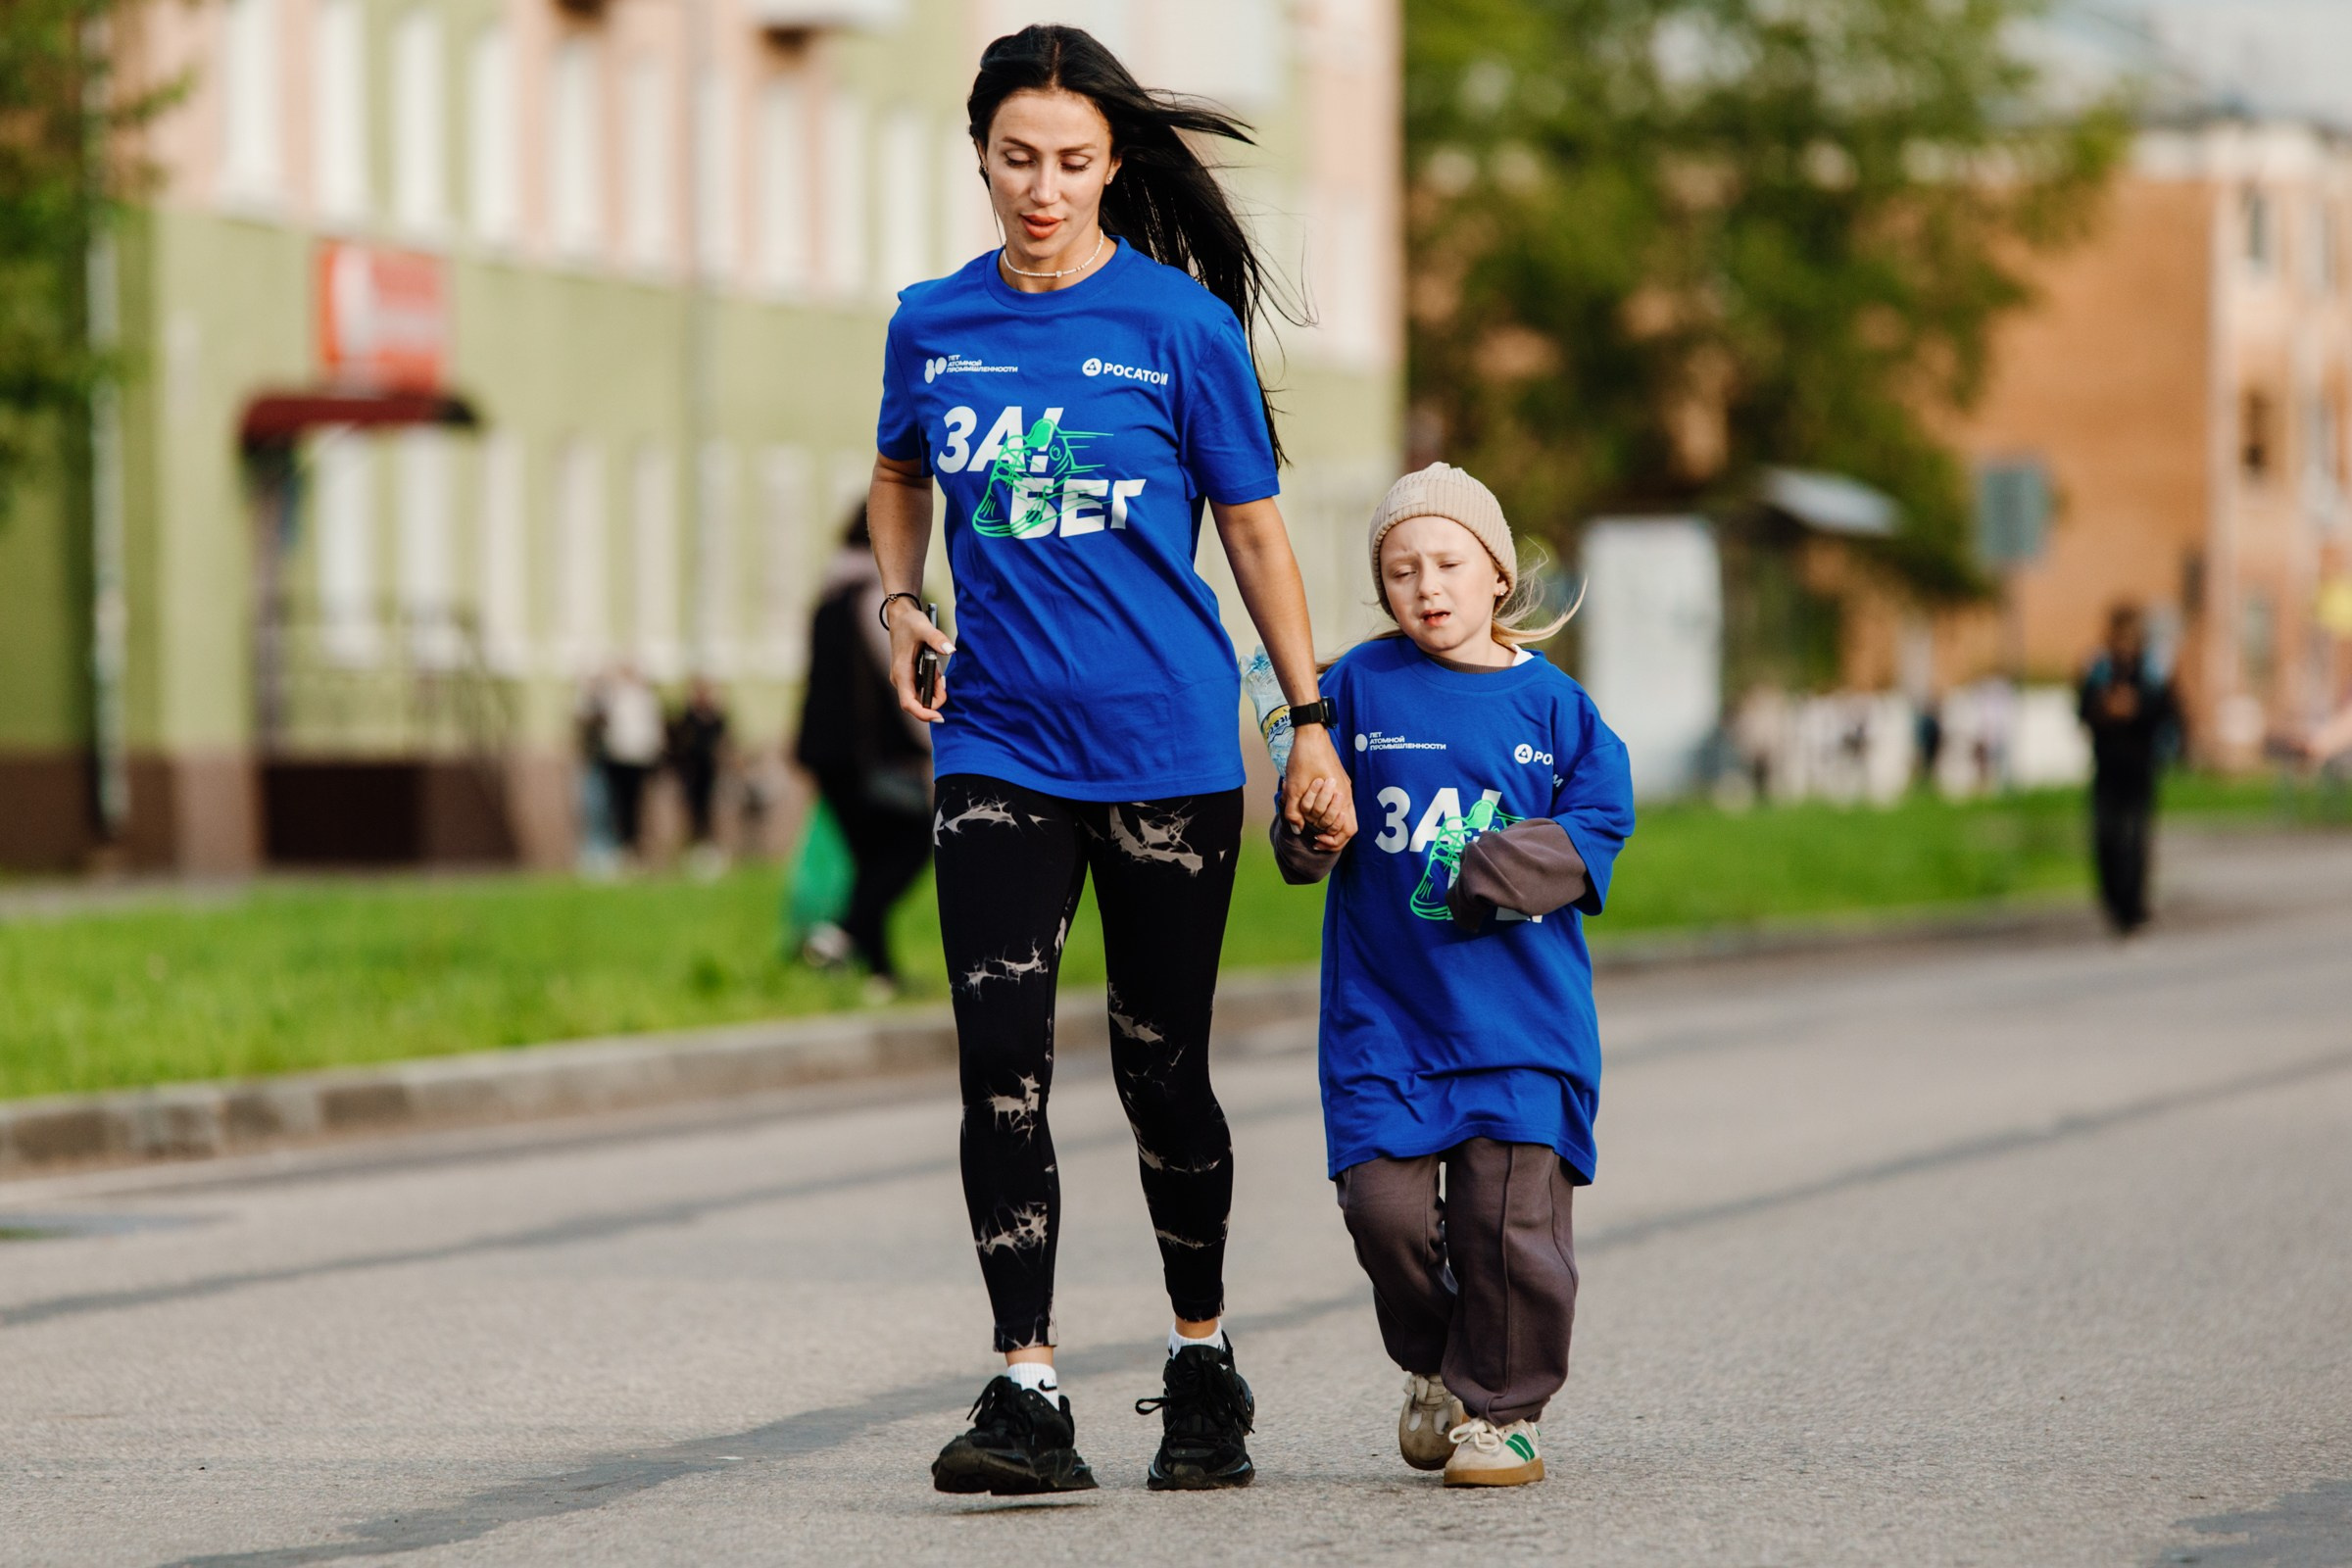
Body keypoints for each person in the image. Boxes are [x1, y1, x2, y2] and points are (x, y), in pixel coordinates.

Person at [868, 24, 1357, 1495]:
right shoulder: (932, 322)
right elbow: (897, 478)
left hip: (1161, 749)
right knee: (999, 1066)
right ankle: (1027, 1389)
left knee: (1162, 1067)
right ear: (979, 157)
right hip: (998, 742)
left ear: (1111, 165)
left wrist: (1307, 721)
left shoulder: (1178, 328)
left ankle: (1202, 1361)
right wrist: (904, 602)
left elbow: (1256, 533)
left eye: (1073, 163)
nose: (1043, 189)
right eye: (1018, 159)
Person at [1274, 464, 1634, 1488]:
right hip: (1385, 1019)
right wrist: (1305, 833)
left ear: (1498, 576)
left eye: (1446, 565)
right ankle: (1438, 1364)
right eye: (1400, 571)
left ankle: (1504, 1410)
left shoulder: (1556, 707)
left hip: (1521, 1026)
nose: (1425, 587)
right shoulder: (1353, 688)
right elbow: (1309, 812)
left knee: (1505, 1225)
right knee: (1383, 1214)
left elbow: (1601, 825)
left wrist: (1495, 869)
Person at [793, 509, 934, 998]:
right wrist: (931, 739)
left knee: (869, 859)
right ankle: (844, 932)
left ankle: (881, 975)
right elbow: (902, 675)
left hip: (824, 754)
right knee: (913, 843)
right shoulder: (883, 600)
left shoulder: (827, 595)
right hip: (871, 756)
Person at [2078, 604, 2180, 933]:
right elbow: (2081, 710)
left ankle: (2133, 907)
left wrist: (2137, 708)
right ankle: (2112, 900)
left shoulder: (2151, 671)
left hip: (2139, 764)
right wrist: (2104, 708)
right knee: (2106, 836)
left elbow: (2169, 712)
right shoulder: (2098, 669)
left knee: (2135, 837)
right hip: (2107, 765)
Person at [595, 662, 666, 862]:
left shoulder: (645, 698)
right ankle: (624, 847)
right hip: (618, 759)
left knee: (637, 804)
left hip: (639, 759)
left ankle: (637, 847)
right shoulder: (612, 696)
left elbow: (652, 730)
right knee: (619, 804)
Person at [668, 676, 732, 880]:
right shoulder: (687, 717)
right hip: (691, 774)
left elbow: (724, 741)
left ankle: (709, 851)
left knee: (710, 813)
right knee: (692, 813)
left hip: (710, 774)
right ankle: (691, 851)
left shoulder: (716, 717)